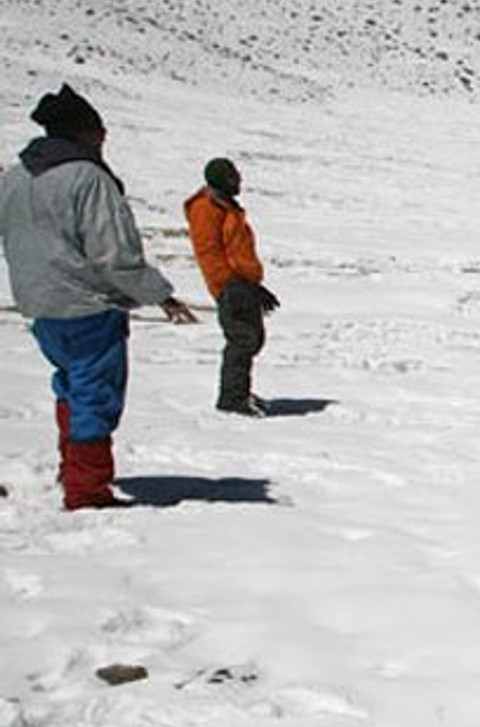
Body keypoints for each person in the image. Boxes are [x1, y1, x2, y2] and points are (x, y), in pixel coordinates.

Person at [0, 84, 196, 509]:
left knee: (70, 387)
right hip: (87, 305)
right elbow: (115, 255)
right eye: (99, 130)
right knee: (95, 393)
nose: (104, 138)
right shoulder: (87, 177)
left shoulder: (15, 177)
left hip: (39, 305)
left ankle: (71, 469)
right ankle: (86, 490)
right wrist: (161, 295)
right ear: (82, 133)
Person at [183, 157, 278, 416]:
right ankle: (233, 399)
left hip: (242, 284)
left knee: (252, 339)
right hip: (230, 286)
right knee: (242, 339)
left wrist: (254, 286)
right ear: (222, 180)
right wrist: (231, 285)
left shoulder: (225, 206)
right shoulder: (207, 209)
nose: (240, 180)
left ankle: (239, 392)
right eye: (234, 176)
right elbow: (209, 252)